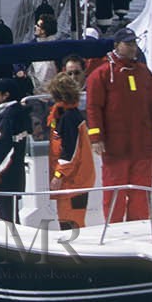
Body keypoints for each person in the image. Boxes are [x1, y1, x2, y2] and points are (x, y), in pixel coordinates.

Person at [86, 26, 152, 223]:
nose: (133, 47)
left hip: (142, 146)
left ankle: (138, 228)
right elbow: (93, 107)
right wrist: (96, 138)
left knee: (141, 193)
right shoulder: (102, 74)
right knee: (115, 193)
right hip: (115, 147)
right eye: (128, 44)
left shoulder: (144, 73)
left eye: (134, 43)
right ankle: (113, 229)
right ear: (116, 45)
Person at [46, 72, 95, 230]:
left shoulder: (68, 119)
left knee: (71, 222)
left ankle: (76, 246)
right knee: (69, 220)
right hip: (76, 180)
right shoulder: (69, 116)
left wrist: (59, 175)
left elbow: (70, 151)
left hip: (74, 182)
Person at [0, 78, 31, 223]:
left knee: (7, 216)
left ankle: (11, 237)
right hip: (14, 173)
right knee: (9, 213)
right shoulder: (17, 113)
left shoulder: (9, 117)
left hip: (5, 175)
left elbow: (5, 148)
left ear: (6, 95)